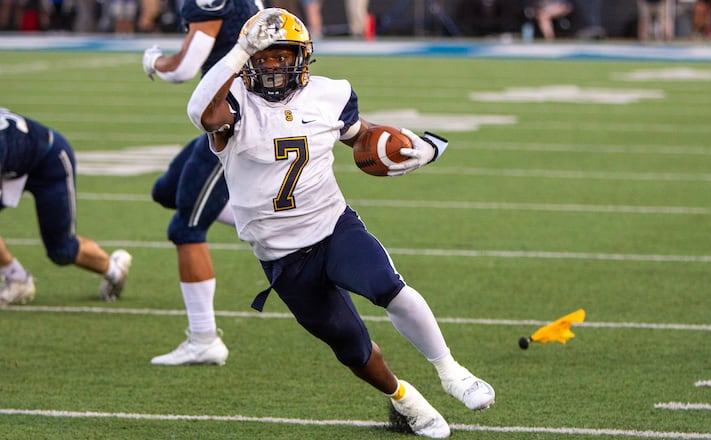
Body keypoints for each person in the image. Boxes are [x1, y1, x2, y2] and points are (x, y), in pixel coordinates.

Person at [186, 8, 495, 437]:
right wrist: (240, 49)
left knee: (390, 288)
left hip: (333, 228)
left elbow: (363, 135)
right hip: (282, 257)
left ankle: (451, 371)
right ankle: (406, 400)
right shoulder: (234, 103)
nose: (273, 66)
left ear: (303, 56)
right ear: (249, 60)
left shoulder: (330, 94)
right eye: (264, 57)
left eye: (283, 56)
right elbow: (199, 110)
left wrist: (424, 147)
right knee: (352, 347)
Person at [141, 0, 260, 366]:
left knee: (187, 227)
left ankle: (204, 339)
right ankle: (259, 222)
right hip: (242, 109)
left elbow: (184, 68)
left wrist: (154, 60)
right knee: (167, 191)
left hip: (232, 124)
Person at [0, 108, 132, 308]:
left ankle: (115, 270)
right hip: (13, 166)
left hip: (49, 163)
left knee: (62, 250)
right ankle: (17, 279)